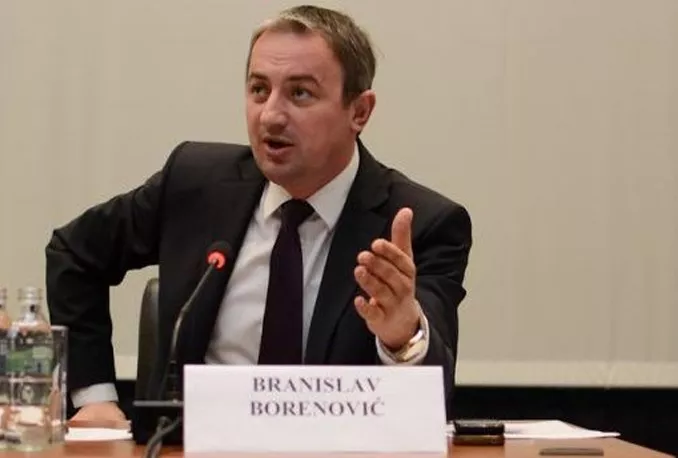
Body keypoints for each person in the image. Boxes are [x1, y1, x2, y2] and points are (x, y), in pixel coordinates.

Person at [45, 4, 472, 425]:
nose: (271, 115)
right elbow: (75, 253)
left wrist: (402, 337)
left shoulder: (422, 225)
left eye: (300, 93)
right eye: (259, 90)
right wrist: (95, 397)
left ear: (359, 112)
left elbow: (433, 398)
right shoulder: (195, 183)